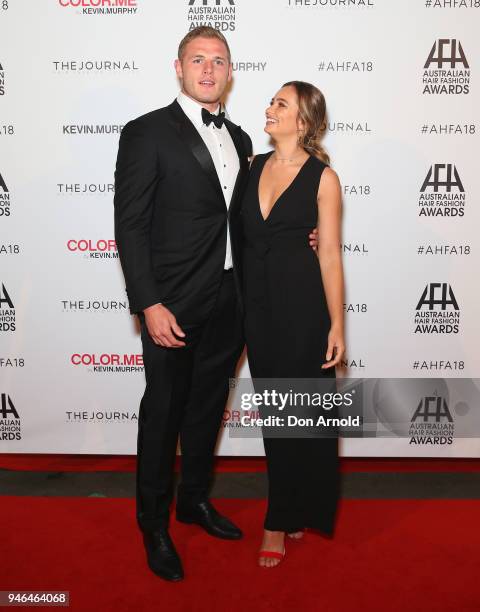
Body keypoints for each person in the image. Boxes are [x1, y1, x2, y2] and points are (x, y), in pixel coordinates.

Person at [114, 27, 319, 581]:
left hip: (233, 301)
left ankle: (194, 501)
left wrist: (306, 235)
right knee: (163, 414)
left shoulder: (245, 139)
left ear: (231, 72)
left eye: (219, 61)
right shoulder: (146, 133)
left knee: (208, 410)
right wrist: (148, 302)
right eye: (198, 60)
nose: (209, 69)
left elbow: (255, 218)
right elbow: (130, 226)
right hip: (173, 304)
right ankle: (153, 524)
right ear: (178, 68)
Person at [240, 81, 346, 567]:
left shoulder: (324, 179)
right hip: (257, 311)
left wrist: (338, 325)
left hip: (304, 310)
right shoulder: (251, 167)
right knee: (277, 415)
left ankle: (278, 519)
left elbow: (329, 256)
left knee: (299, 417)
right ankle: (295, 506)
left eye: (280, 104)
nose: (269, 108)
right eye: (272, 101)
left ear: (303, 121)